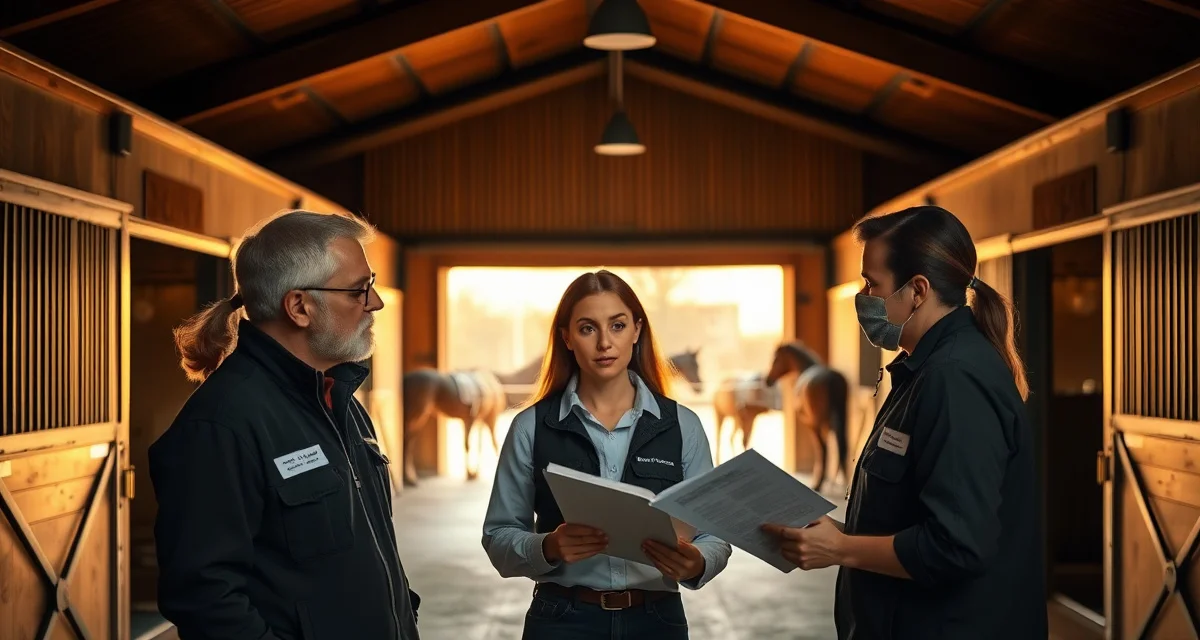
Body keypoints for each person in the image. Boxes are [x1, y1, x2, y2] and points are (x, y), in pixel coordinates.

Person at [763, 205, 1047, 639]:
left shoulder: (955, 379)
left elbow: (956, 547)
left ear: (917, 290)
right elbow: (913, 518)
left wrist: (842, 548)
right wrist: (841, 534)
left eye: (871, 283)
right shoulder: (922, 370)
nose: (864, 296)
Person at [148, 209, 421, 640]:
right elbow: (205, 599)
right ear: (299, 307)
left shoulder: (339, 399)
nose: (376, 303)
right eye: (358, 290)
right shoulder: (221, 425)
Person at [482, 270, 732, 640]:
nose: (604, 343)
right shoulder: (530, 427)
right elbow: (498, 535)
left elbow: (714, 535)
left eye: (617, 325)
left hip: (657, 620)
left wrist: (698, 562)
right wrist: (547, 545)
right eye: (587, 329)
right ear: (566, 337)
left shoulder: (683, 425)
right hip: (561, 620)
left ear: (637, 330)